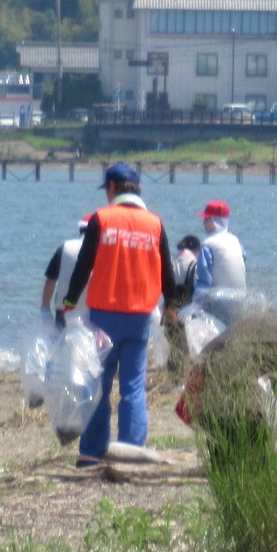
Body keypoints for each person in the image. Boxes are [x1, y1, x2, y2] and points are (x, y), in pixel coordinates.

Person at [60, 162, 181, 467]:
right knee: (133, 388)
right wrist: (173, 308)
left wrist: (70, 302)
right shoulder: (155, 224)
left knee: (98, 387)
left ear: (112, 188)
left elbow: (84, 265)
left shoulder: (103, 219)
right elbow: (168, 273)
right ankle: (131, 452)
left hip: (103, 316)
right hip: (140, 316)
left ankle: (92, 454)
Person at [194, 199, 248, 325]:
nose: (203, 222)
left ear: (215, 221)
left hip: (220, 301)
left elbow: (204, 281)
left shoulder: (208, 244)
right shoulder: (236, 241)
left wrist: (193, 304)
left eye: (207, 219)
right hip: (241, 299)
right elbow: (244, 258)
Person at [40, 216, 91, 311]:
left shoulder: (65, 247)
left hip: (63, 313)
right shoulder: (104, 250)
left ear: (80, 229)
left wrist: (45, 310)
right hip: (92, 315)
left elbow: (50, 282)